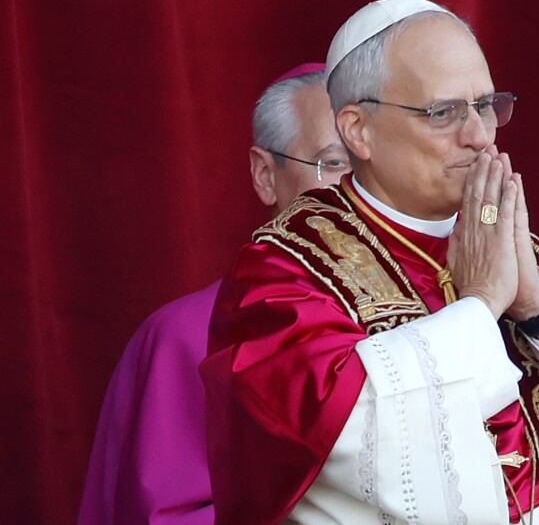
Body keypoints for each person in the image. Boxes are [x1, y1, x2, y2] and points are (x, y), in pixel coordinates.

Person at [201, 0, 539, 525]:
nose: (480, 136)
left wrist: (538, 307)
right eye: (444, 113)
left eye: (486, 106)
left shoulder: (535, 261)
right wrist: (481, 305)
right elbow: (346, 445)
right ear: (357, 130)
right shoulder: (287, 271)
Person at [78, 63, 351, 525]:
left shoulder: (435, 314)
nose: (356, 190)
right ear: (266, 175)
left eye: (372, 166)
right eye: (333, 163)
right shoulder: (186, 337)